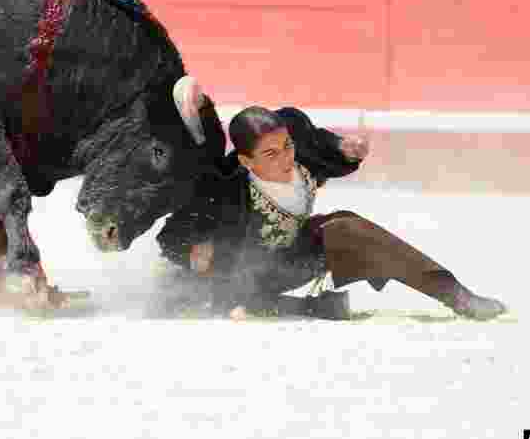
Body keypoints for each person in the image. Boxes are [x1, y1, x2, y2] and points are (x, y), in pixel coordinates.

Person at [153, 105, 507, 321]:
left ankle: (458, 296)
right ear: (246, 161)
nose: (287, 157)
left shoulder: (296, 142)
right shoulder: (223, 185)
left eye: (287, 145)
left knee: (346, 225)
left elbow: (322, 145)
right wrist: (192, 251)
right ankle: (311, 308)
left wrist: (344, 148)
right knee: (230, 296)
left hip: (293, 258)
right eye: (271, 155)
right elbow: (171, 236)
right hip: (246, 275)